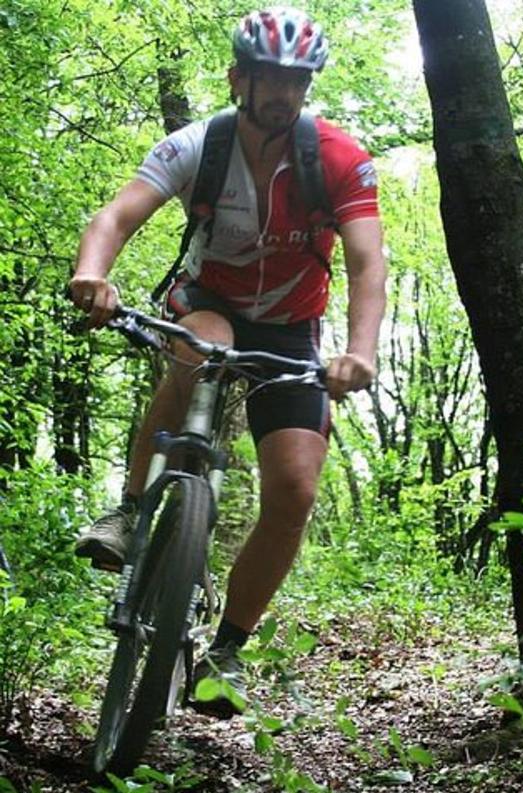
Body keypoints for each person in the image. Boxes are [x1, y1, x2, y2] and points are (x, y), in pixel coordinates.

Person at [68, 6, 386, 718]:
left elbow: (368, 264)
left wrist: (358, 352)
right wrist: (94, 275)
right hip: (210, 302)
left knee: (297, 490)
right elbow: (117, 217)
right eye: (269, 76)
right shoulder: (199, 144)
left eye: (296, 80)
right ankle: (129, 511)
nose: (282, 91)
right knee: (198, 343)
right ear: (239, 77)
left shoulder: (336, 158)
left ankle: (228, 652)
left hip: (293, 331)